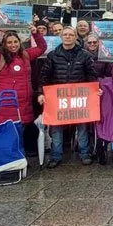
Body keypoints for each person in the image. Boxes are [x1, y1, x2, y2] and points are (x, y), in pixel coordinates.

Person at [0, 21, 47, 158]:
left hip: (24, 104)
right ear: (4, 44)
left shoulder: (26, 55)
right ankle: (8, 160)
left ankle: (17, 159)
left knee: (19, 133)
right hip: (6, 103)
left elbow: (42, 47)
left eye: (15, 42)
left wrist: (35, 32)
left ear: (19, 42)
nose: (13, 45)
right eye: (9, 43)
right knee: (7, 134)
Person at [37, 26, 98, 167]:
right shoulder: (52, 55)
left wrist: (95, 91)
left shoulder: (85, 55)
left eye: (71, 34)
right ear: (61, 37)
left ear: (76, 37)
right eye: (65, 34)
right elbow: (44, 76)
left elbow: (92, 76)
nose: (68, 37)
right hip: (58, 99)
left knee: (82, 127)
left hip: (79, 98)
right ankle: (55, 156)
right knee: (57, 129)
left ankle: (84, 153)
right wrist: (40, 93)